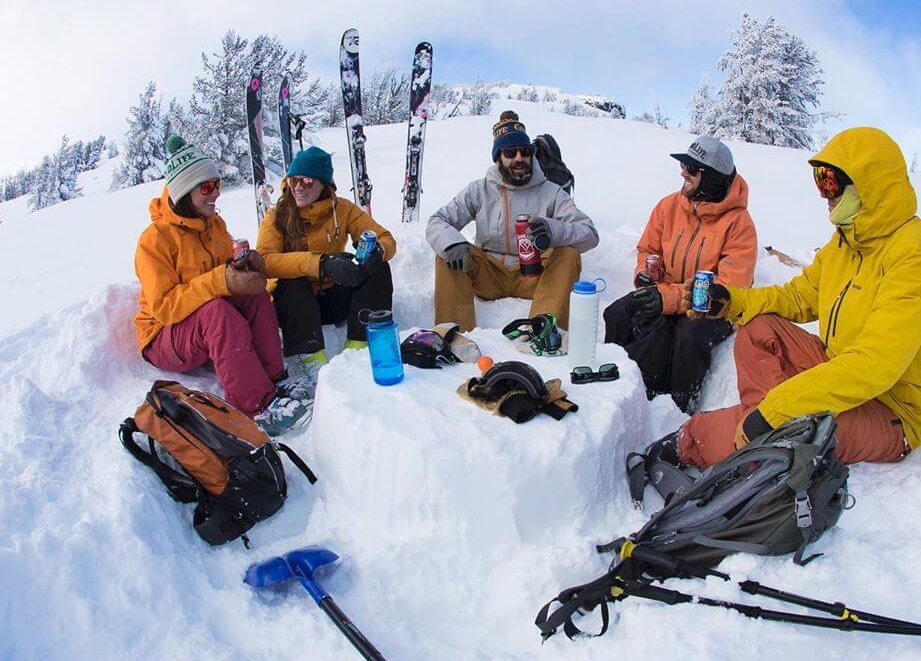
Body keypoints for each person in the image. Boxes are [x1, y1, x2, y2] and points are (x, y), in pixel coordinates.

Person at [662, 126, 921, 469]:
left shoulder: (914, 260)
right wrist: (734, 302)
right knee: (758, 325)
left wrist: (778, 409)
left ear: (869, 185)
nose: (822, 192)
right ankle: (763, 440)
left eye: (831, 181)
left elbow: (874, 365)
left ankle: (698, 442)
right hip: (837, 368)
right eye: (819, 179)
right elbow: (799, 297)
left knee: (786, 425)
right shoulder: (849, 240)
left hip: (891, 408)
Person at [135, 136, 312, 436]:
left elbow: (222, 271)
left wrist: (242, 266)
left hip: (202, 326)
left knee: (255, 296)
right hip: (163, 336)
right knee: (217, 311)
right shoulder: (153, 241)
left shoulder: (213, 224)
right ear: (182, 193)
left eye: (216, 184)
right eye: (206, 187)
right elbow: (164, 308)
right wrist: (221, 280)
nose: (215, 194)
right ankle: (255, 404)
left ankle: (275, 378)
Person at [602, 136, 757, 413]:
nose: (683, 171)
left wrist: (669, 298)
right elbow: (647, 248)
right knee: (619, 312)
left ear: (711, 178)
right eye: (684, 164)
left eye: (692, 168)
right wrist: (645, 275)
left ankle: (678, 408)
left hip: (713, 307)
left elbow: (730, 287)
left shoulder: (739, 224)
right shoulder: (669, 206)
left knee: (688, 333)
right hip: (668, 291)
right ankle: (609, 385)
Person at [426, 110, 599, 331]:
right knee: (447, 252)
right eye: (510, 152)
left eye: (525, 152)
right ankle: (454, 334)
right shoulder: (479, 190)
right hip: (489, 275)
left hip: (535, 275)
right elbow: (437, 220)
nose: (519, 158)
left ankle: (543, 333)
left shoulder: (552, 192)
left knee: (568, 254)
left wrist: (552, 230)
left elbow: (589, 233)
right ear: (498, 157)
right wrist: (452, 243)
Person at [256, 146, 396, 381]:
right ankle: (308, 355)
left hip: (332, 297)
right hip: (295, 309)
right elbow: (265, 261)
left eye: (308, 181)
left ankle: (360, 343)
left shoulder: (342, 209)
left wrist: (376, 254)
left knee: (379, 268)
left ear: (323, 183)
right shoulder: (276, 216)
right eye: (294, 180)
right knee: (293, 282)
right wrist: (321, 263)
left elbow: (386, 238)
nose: (299, 187)